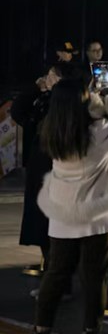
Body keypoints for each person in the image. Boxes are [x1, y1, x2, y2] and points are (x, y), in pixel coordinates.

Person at [29, 72, 108, 334]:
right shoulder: (97, 133)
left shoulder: (52, 132)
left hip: (62, 216)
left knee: (55, 274)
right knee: (94, 277)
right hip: (95, 216)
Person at [10, 62, 73, 296]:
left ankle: (58, 286)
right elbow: (18, 112)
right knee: (43, 231)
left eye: (53, 76)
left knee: (54, 231)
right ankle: (53, 283)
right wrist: (36, 89)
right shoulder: (43, 101)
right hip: (38, 172)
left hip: (56, 175)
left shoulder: (67, 106)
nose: (48, 79)